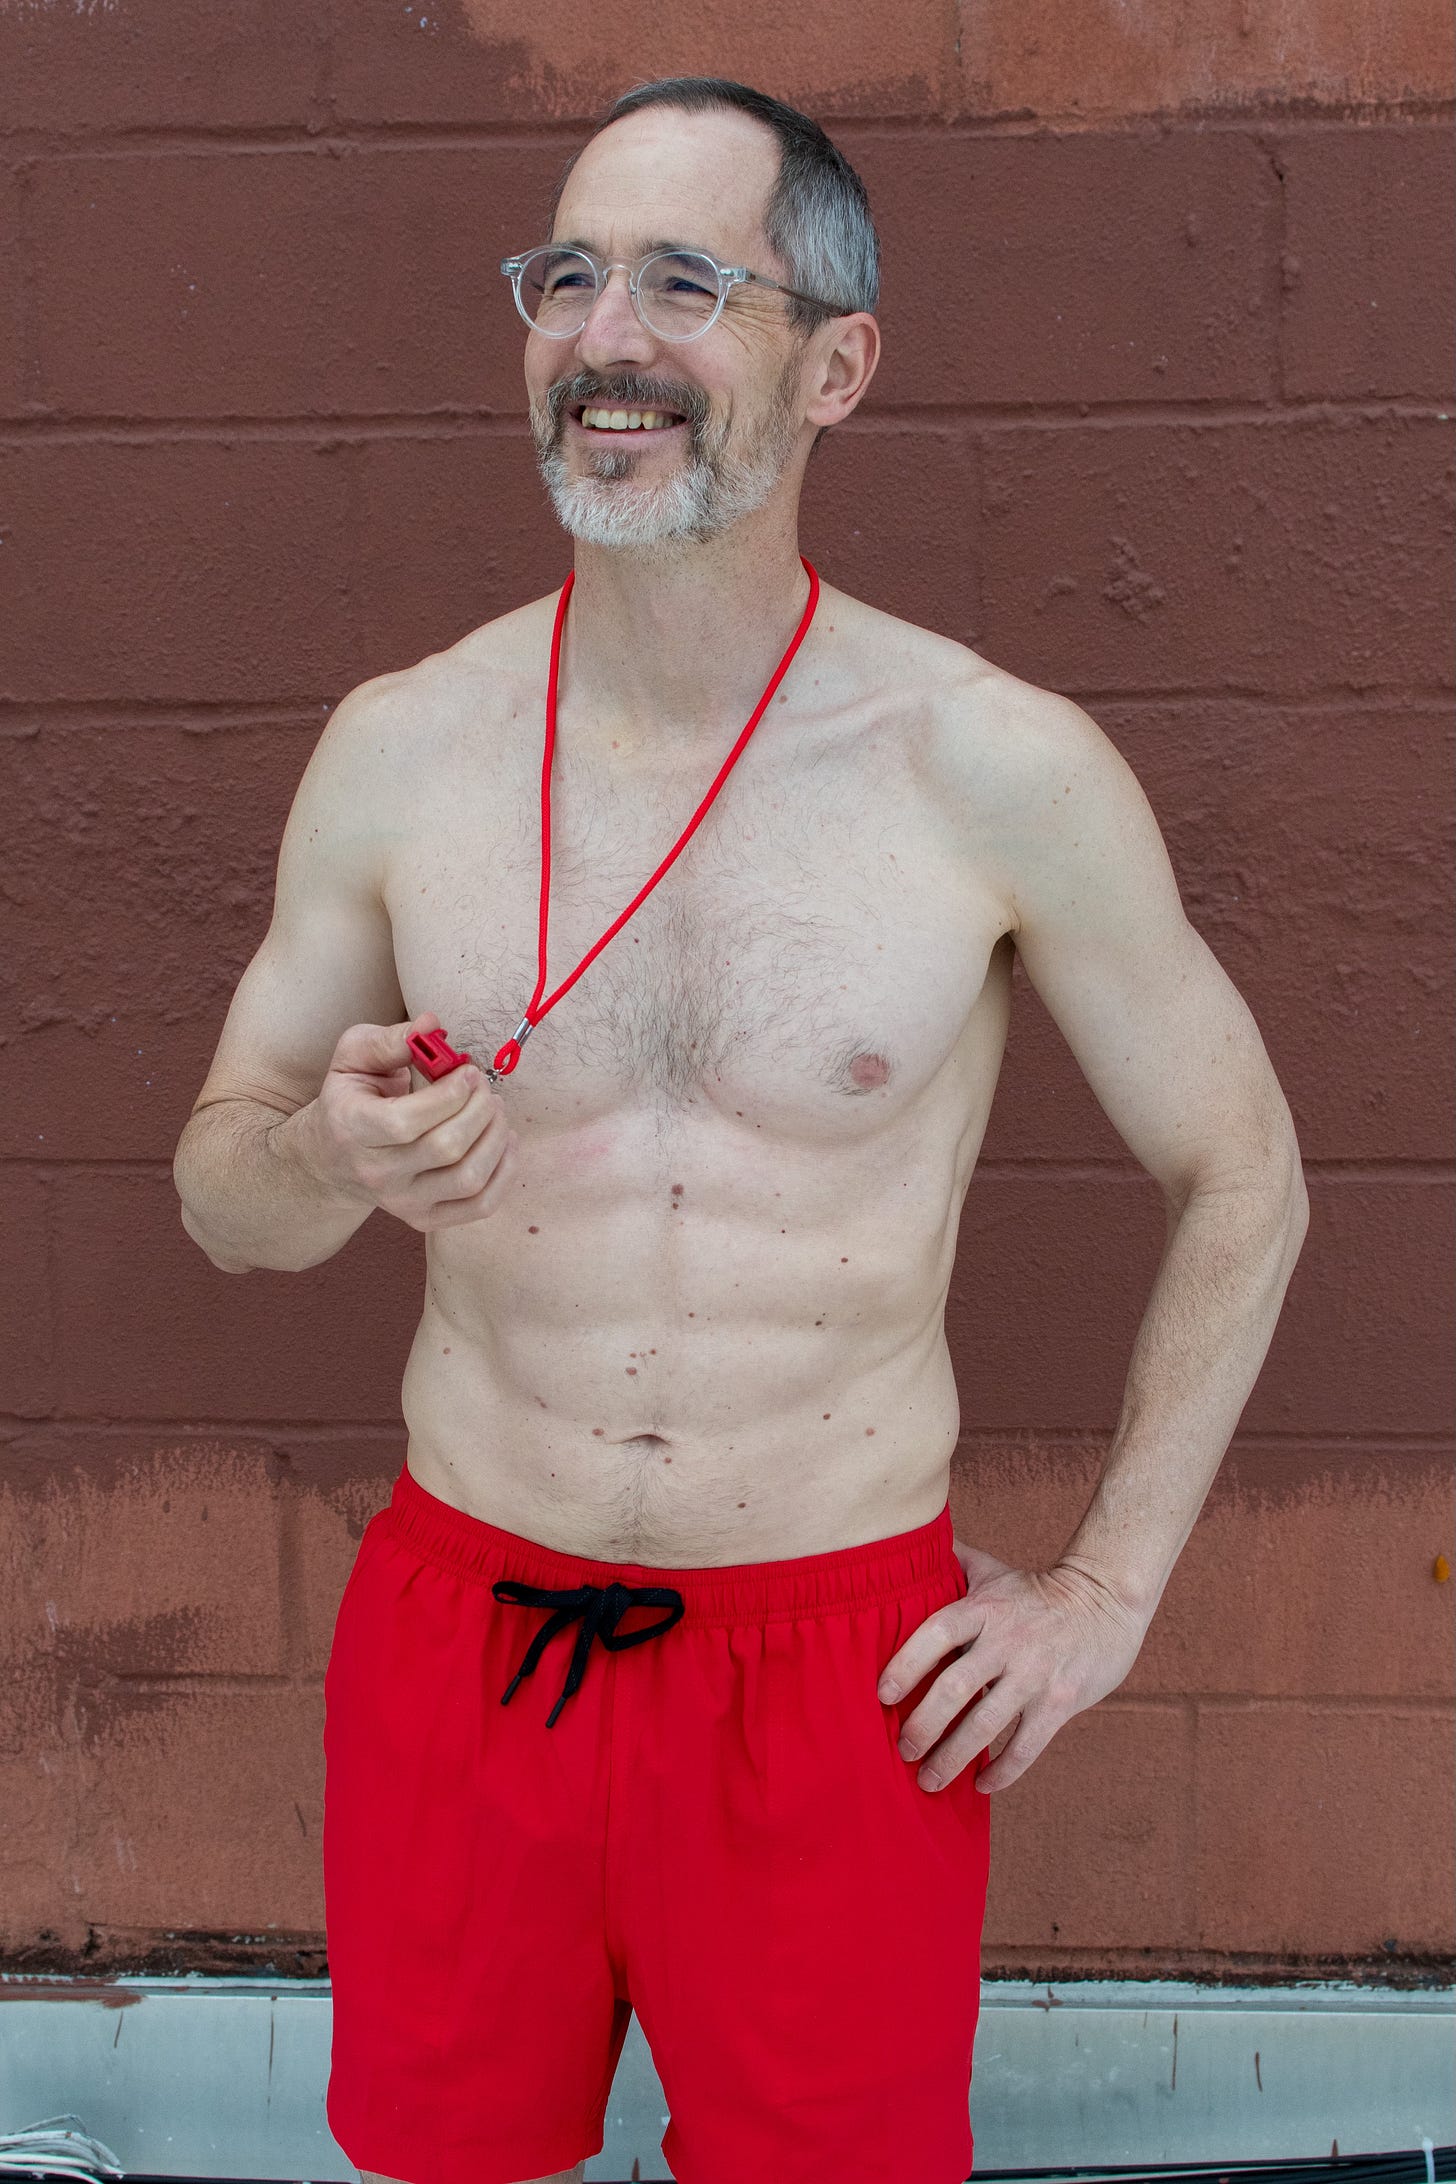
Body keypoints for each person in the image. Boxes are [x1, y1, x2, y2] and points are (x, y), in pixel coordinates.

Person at [172, 74, 1309, 2184]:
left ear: (835, 363)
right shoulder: (400, 749)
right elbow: (225, 1198)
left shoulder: (991, 767)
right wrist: (320, 1159)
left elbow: (1242, 1171)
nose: (608, 339)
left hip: (828, 1672)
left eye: (688, 283)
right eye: (568, 277)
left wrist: (1108, 1591)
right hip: (462, 1639)